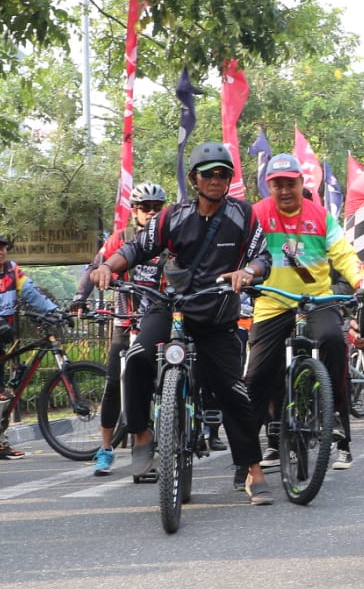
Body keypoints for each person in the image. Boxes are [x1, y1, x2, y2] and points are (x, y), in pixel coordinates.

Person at [88, 143, 275, 505]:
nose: (216, 180)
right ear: (194, 179)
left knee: (233, 391)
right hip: (171, 307)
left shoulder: (243, 215)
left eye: (223, 174)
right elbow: (136, 247)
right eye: (208, 174)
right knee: (137, 358)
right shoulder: (173, 216)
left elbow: (262, 257)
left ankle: (254, 470)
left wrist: (248, 272)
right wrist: (108, 267)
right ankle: (142, 435)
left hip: (217, 313)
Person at [244, 154, 363, 471]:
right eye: (278, 185)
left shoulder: (321, 216)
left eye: (290, 184)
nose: (284, 191)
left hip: (316, 301)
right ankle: (248, 456)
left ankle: (334, 418)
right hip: (272, 302)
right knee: (257, 376)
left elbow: (344, 255)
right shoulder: (256, 214)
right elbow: (241, 251)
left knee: (333, 342)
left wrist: (361, 281)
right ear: (268, 186)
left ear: (301, 183)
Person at [71, 181, 167, 476]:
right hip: (125, 321)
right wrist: (80, 297)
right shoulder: (122, 238)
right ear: (134, 211)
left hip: (158, 321)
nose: (151, 213)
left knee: (165, 380)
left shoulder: (170, 238)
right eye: (145, 208)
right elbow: (95, 267)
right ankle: (105, 449)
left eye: (157, 208)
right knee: (114, 383)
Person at [0, 232, 59, 461]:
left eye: (2, 248)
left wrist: (53, 311)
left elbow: (31, 293)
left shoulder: (13, 270)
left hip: (8, 333)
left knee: (10, 388)